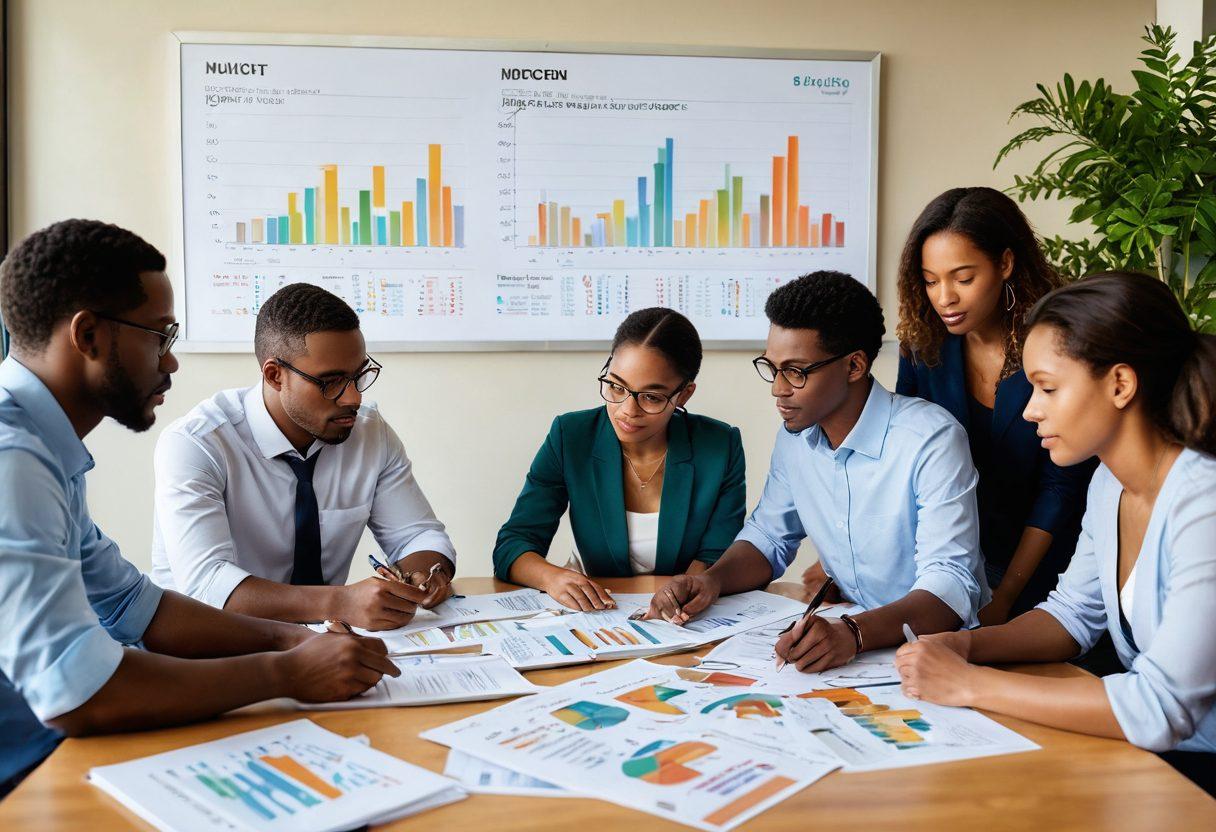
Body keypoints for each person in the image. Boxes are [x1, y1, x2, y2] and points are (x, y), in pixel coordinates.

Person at [0, 221, 396, 797]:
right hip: (23, 772)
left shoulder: (44, 448)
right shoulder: (14, 459)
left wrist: (291, 640)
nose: (172, 362)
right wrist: (284, 673)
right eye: (160, 336)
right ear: (88, 336)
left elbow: (134, 607)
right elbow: (75, 693)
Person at [896, 272, 1216, 795]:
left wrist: (970, 684)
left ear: (1120, 384)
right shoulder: (1110, 482)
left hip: (1196, 770)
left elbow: (1162, 708)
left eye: (1047, 388)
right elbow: (1072, 615)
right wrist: (966, 644)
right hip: (1158, 761)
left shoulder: (1205, 501)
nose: (1029, 410)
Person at [647, 271, 988, 672]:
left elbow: (950, 586)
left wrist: (854, 632)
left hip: (934, 648)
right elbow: (769, 537)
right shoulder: (796, 438)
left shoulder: (931, 439)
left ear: (854, 365)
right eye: (772, 368)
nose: (778, 389)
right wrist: (712, 581)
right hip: (852, 640)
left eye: (796, 371)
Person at [151, 283, 455, 630]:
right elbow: (208, 587)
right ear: (274, 375)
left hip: (324, 644)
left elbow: (420, 536)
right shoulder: (196, 444)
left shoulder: (370, 432)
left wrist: (422, 576)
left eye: (359, 375)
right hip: (208, 646)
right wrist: (342, 601)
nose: (353, 397)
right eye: (331, 382)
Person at [894, 187, 1095, 624]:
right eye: (930, 280)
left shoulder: (1056, 341)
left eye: (963, 278)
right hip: (951, 556)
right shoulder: (921, 344)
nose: (944, 297)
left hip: (1050, 563)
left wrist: (1004, 595)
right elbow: (903, 457)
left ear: (1005, 263)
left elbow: (1061, 487)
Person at [493, 308, 746, 611]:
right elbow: (513, 544)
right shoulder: (571, 435)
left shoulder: (719, 446)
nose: (627, 410)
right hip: (601, 615)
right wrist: (553, 578)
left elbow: (716, 558)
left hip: (685, 620)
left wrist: (682, 596)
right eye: (616, 386)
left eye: (651, 397)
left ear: (684, 395)